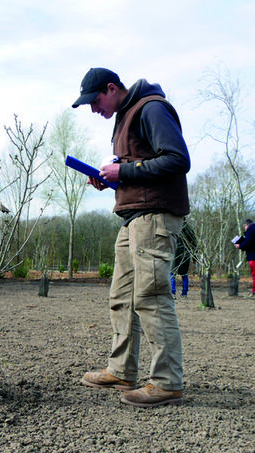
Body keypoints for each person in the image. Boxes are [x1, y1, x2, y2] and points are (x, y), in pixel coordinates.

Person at [72, 68, 190, 408]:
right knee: (121, 296)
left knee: (151, 296)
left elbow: (177, 159)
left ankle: (167, 382)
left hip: (154, 215)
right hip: (132, 215)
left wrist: (123, 171)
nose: (94, 109)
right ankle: (122, 370)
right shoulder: (124, 117)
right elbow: (141, 164)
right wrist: (110, 178)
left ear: (112, 88)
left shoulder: (151, 107)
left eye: (95, 101)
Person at [235, 218, 255, 299]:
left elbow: (248, 242)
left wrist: (240, 246)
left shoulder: (250, 230)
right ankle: (254, 291)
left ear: (246, 225)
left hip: (254, 255)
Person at [171, 219, 196, 298]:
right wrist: (195, 257)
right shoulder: (189, 229)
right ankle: (184, 293)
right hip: (186, 254)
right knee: (184, 274)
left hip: (174, 253)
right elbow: (194, 242)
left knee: (172, 273)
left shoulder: (172, 227)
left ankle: (173, 292)